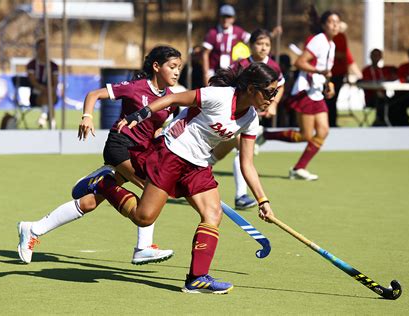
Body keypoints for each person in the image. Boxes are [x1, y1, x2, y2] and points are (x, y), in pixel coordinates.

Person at [103, 61, 278, 294]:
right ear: (250, 89)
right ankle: (104, 184)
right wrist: (144, 112)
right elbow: (174, 98)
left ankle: (197, 278)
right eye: (269, 92)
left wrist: (263, 201)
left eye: (275, 92)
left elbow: (247, 164)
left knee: (212, 214)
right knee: (143, 218)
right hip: (172, 152)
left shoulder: (251, 119)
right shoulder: (219, 96)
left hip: (198, 164)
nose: (272, 97)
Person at [17, 46, 182, 265]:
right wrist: (87, 117)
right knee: (152, 187)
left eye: (179, 67)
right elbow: (94, 94)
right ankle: (143, 247)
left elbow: (158, 129)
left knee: (88, 204)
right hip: (120, 145)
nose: (176, 72)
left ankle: (33, 229)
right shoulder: (136, 87)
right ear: (156, 67)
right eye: (172, 67)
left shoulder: (170, 100)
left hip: (140, 153)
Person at [256, 10, 340, 181]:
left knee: (323, 131)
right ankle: (265, 135)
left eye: (337, 22)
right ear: (324, 25)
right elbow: (300, 62)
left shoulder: (332, 45)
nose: (335, 25)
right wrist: (319, 72)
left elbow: (325, 71)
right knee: (306, 136)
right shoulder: (319, 41)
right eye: (331, 22)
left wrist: (329, 84)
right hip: (305, 91)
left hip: (317, 92)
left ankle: (299, 168)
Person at [211, 28, 285, 210]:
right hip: (236, 117)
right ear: (250, 46)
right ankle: (241, 195)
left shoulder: (274, 66)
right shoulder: (242, 64)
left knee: (227, 149)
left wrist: (273, 104)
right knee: (241, 149)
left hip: (253, 118)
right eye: (259, 44)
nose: (263, 48)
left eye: (267, 44)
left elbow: (281, 85)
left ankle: (198, 167)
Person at [324, 22, 362, 127]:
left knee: (331, 100)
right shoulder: (321, 38)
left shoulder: (340, 37)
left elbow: (346, 57)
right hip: (324, 75)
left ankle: (331, 124)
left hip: (336, 74)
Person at [26, 38, 59, 128]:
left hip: (50, 94)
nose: (44, 50)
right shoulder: (32, 64)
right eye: (41, 47)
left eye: (45, 47)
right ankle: (52, 123)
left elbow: (55, 81)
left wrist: (51, 90)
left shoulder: (53, 65)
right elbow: (32, 81)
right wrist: (44, 89)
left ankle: (43, 117)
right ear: (37, 49)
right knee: (47, 95)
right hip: (36, 95)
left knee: (49, 95)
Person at [360, 48, 397, 126]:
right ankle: (381, 121)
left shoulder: (383, 70)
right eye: (374, 55)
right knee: (381, 100)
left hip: (384, 97)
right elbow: (366, 83)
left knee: (396, 101)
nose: (376, 57)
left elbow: (395, 71)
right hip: (371, 99)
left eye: (378, 56)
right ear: (370, 56)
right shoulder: (366, 70)